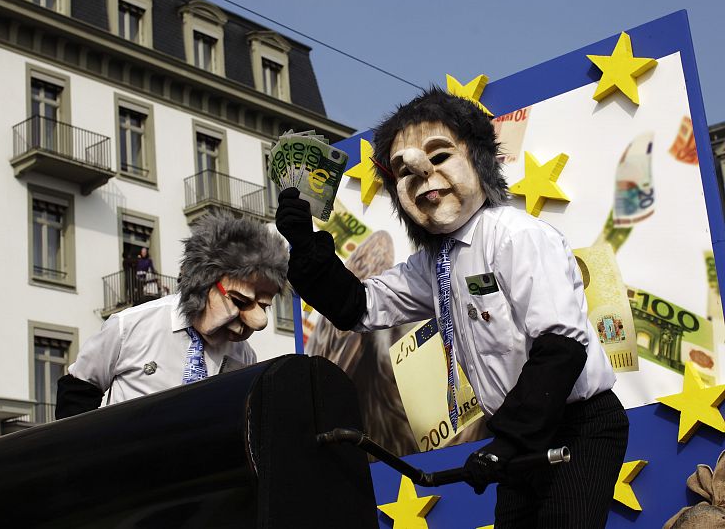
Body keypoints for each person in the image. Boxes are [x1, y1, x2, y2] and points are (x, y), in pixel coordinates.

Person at [275, 87, 628, 528]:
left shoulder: (516, 236)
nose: (424, 175)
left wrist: (507, 442)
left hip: (578, 426)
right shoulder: (436, 263)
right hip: (519, 436)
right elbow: (359, 306)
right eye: (406, 173)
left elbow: (562, 345)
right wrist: (307, 247)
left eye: (440, 157)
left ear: (477, 159)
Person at [56, 211, 288, 418]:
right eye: (239, 301)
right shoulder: (130, 326)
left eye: (264, 305)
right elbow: (78, 389)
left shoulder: (244, 356)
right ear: (203, 283)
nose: (259, 321)